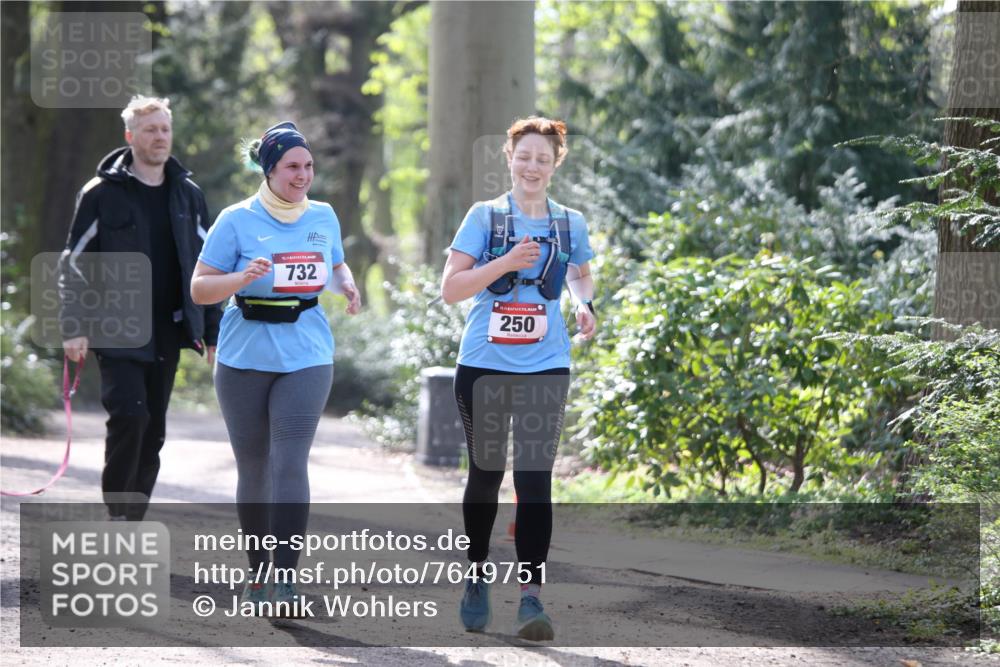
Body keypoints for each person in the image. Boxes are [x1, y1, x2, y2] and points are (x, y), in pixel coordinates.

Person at [191, 121, 361, 616]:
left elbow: (334, 264)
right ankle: (259, 575)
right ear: (270, 169)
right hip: (244, 354)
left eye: (308, 166)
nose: (303, 175)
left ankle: (286, 580)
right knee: (255, 466)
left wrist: (345, 284)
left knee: (290, 462)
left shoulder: (324, 215)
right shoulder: (236, 219)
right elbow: (200, 288)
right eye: (292, 166)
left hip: (307, 352)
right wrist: (241, 277)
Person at [440, 116, 597, 640]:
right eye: (524, 156)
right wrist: (505, 261)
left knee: (534, 480)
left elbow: (579, 273)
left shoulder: (570, 222)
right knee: (486, 475)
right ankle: (477, 576)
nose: (533, 166)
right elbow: (452, 288)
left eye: (543, 159)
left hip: (546, 365)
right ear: (508, 158)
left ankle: (531, 598)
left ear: (556, 164)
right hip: (485, 363)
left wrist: (584, 304)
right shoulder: (484, 217)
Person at [59, 95, 221, 521]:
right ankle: (118, 514)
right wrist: (73, 325)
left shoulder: (188, 195)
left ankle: (133, 518)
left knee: (153, 430)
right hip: (116, 328)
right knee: (129, 417)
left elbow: (210, 266)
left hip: (168, 329)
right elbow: (73, 262)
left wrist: (213, 330)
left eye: (165, 128)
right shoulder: (100, 194)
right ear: (130, 136)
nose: (160, 137)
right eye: (150, 129)